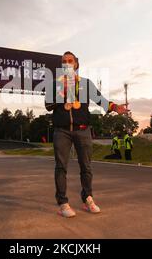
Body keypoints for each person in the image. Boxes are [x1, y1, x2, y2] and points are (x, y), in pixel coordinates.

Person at [45, 51, 128, 218]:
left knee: (86, 167)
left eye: (70, 61)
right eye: (64, 61)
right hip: (62, 131)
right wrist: (62, 99)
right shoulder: (55, 84)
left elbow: (100, 99)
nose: (67, 63)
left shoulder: (85, 84)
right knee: (61, 167)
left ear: (76, 64)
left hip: (83, 130)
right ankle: (63, 203)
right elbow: (47, 104)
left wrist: (114, 107)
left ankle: (88, 198)